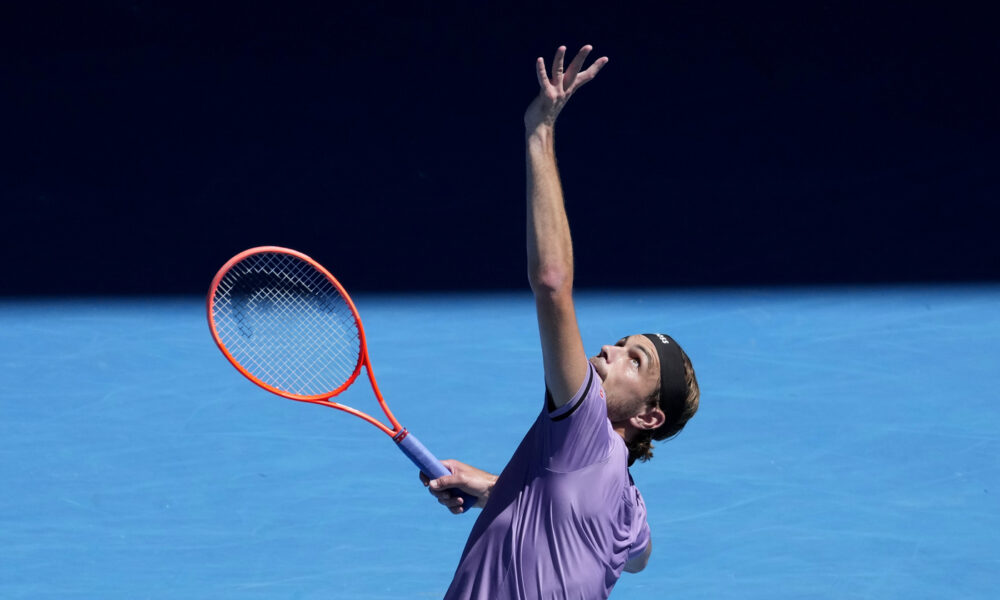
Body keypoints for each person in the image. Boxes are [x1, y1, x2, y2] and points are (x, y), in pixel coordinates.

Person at [420, 44, 700, 599]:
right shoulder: (628, 506)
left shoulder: (585, 425)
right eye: (622, 342)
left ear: (648, 416)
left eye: (634, 360)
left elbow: (551, 281)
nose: (610, 350)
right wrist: (501, 489)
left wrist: (539, 131)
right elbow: (639, 559)